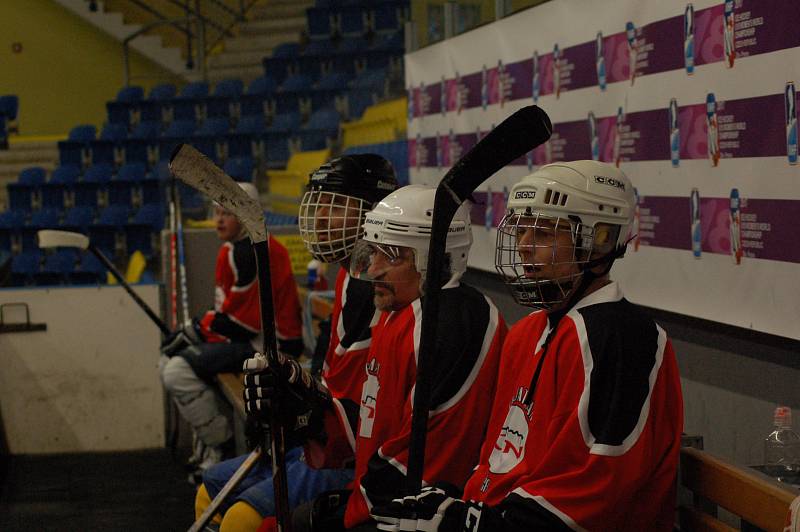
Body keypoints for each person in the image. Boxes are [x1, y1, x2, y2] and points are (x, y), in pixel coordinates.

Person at [371, 161, 684, 531]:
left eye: (545, 233)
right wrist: (458, 502)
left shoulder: (622, 338)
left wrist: (475, 523)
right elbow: (502, 461)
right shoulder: (527, 333)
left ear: (599, 239)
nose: (523, 247)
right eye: (520, 230)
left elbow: (598, 486)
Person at [243, 184, 508, 531]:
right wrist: (308, 413)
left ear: (437, 259)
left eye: (392, 255)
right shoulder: (397, 314)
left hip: (413, 515)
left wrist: (348, 513)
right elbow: (376, 424)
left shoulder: (452, 322)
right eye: (373, 252)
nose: (373, 270)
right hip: (378, 500)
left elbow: (429, 462)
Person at [195, 155, 399, 531]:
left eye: (335, 206)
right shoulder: (349, 275)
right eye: (318, 204)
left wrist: (306, 413)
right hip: (328, 437)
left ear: (374, 211)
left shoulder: (385, 291)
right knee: (209, 492)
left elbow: (368, 405)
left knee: (241, 517)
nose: (320, 218)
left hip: (351, 455)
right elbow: (329, 371)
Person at [160, 182, 303, 481]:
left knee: (176, 371)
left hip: (267, 347)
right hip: (251, 339)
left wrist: (196, 331)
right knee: (172, 362)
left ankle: (220, 447)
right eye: (217, 211)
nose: (220, 219)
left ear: (247, 215)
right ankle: (210, 446)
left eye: (228, 212)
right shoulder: (236, 248)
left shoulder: (251, 253)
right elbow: (231, 313)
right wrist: (196, 330)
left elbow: (245, 323)